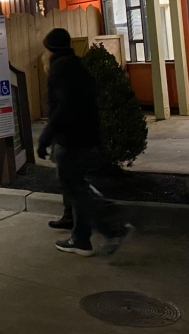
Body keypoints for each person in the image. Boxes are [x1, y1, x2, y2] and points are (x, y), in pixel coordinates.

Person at [37, 28, 130, 256]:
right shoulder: (76, 64)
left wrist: (46, 136)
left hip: (72, 138)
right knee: (76, 185)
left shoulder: (61, 68)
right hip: (83, 135)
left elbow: (64, 107)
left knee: (75, 187)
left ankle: (108, 231)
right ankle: (81, 235)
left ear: (50, 48)